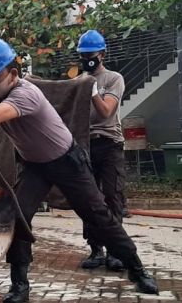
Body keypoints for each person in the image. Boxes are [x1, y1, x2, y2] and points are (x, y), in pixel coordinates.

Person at [0, 38, 157, 302]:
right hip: (35, 166)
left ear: (12, 74)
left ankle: (137, 270)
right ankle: (19, 286)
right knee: (19, 217)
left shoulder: (26, 94)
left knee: (100, 217)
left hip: (68, 163)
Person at [76, 30, 128, 271]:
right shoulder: (79, 81)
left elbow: (106, 112)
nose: (87, 58)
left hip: (109, 145)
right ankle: (96, 249)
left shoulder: (113, 79)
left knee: (112, 197)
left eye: (91, 54)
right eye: (83, 54)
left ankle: (116, 251)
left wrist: (93, 89)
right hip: (87, 146)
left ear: (102, 54)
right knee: (89, 199)